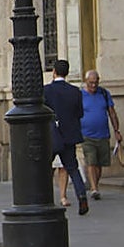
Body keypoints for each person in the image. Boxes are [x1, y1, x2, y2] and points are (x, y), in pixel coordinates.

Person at [44, 59, 90, 215]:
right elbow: (80, 113)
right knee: (73, 169)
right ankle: (82, 196)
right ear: (67, 73)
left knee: (43, 168)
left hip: (52, 136)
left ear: (54, 72)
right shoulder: (75, 91)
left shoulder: (46, 91)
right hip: (70, 136)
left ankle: (43, 198)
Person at [80, 70, 121, 200]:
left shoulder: (104, 93)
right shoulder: (80, 95)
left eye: (96, 82)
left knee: (99, 164)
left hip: (103, 134)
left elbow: (112, 113)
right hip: (86, 135)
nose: (93, 85)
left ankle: (95, 184)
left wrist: (117, 130)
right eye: (91, 83)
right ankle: (94, 188)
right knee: (91, 161)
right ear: (86, 81)